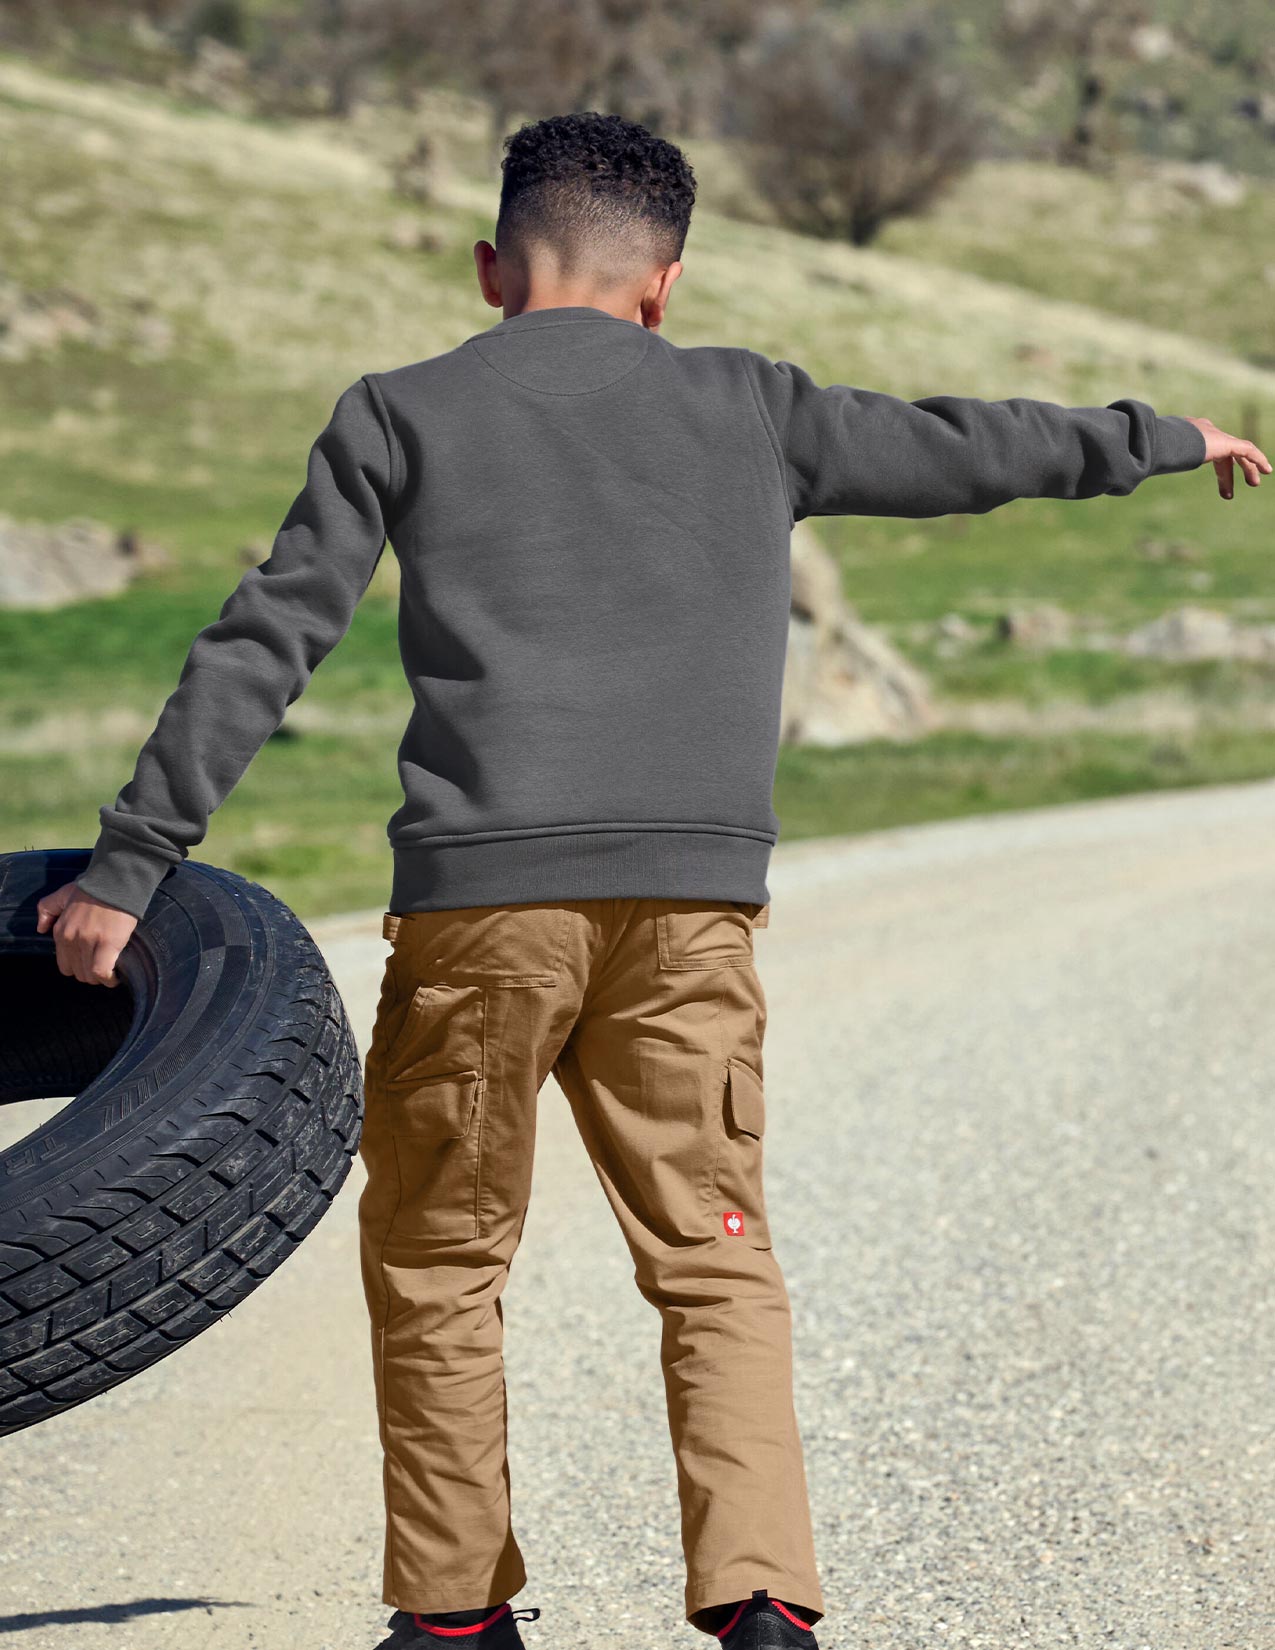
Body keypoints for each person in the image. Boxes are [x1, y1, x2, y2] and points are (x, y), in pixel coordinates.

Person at [36, 111, 1269, 1650]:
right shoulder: (755, 405)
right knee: (714, 1255)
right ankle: (763, 1601)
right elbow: (967, 449)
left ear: (490, 267)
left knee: (440, 1254)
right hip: (695, 915)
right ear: (665, 284)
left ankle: (454, 1618)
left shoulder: (399, 411)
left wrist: (132, 864)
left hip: (481, 918)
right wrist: (1158, 437)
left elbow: (265, 639)